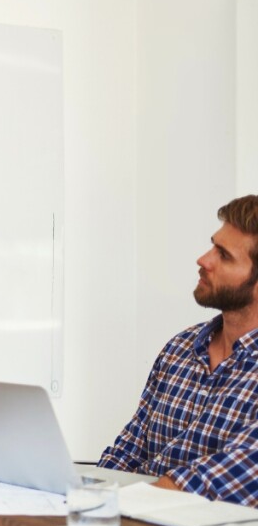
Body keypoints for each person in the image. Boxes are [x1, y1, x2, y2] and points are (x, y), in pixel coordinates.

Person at [98, 195, 258, 507]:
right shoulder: (181, 347)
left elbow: (219, 480)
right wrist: (83, 494)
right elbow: (131, 447)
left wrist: (112, 505)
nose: (204, 260)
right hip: (130, 514)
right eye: (213, 246)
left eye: (224, 256)